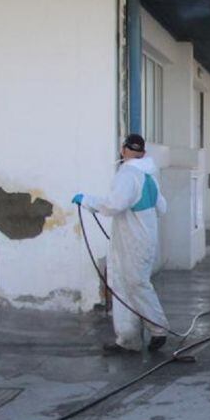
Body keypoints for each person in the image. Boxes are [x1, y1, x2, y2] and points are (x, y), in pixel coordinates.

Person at [73, 134, 170, 354]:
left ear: (123, 150)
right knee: (125, 286)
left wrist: (87, 200)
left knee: (134, 285)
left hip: (131, 241)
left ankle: (158, 329)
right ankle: (128, 339)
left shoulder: (128, 174)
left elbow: (114, 205)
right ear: (143, 153)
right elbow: (162, 208)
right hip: (142, 239)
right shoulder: (150, 176)